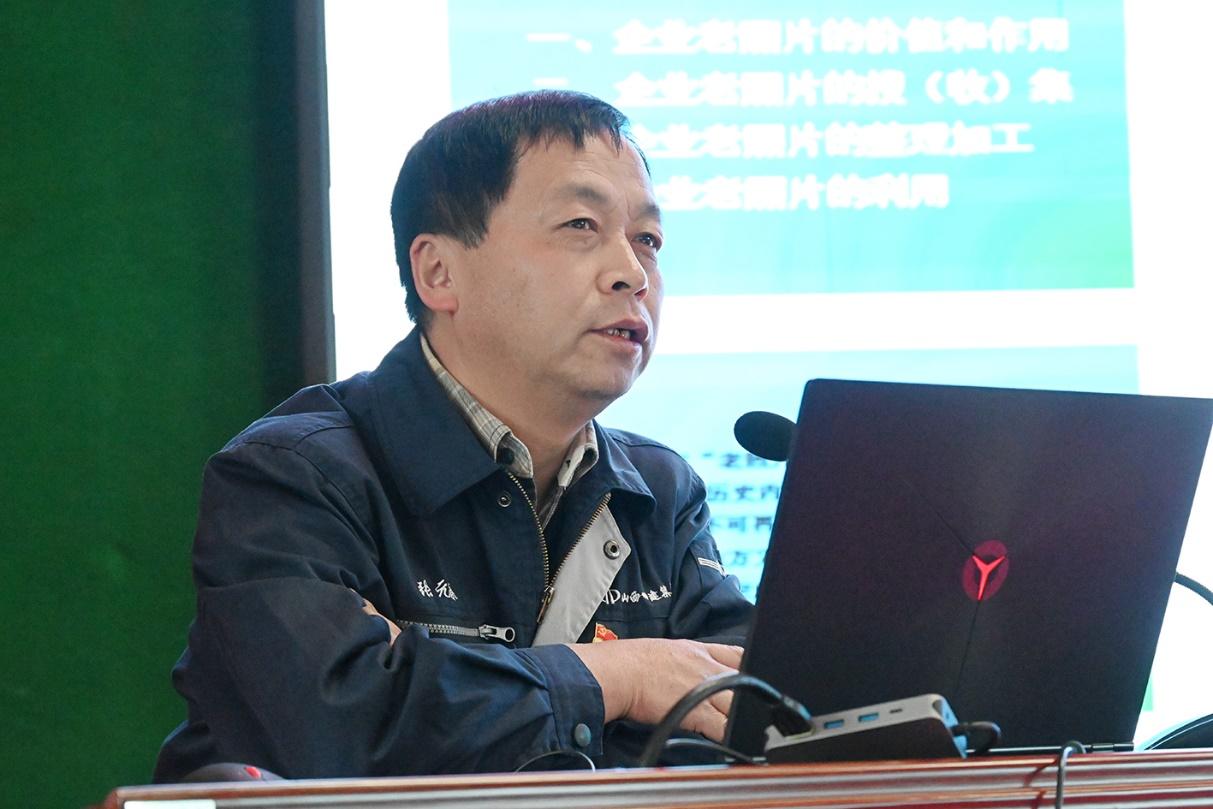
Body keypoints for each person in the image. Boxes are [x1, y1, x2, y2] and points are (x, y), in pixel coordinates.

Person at [154, 90, 754, 780]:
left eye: (647, 239)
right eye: (580, 225)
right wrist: (618, 678)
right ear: (438, 272)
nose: (632, 273)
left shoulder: (658, 490)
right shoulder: (292, 475)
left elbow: (751, 714)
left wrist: (444, 688)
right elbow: (340, 730)